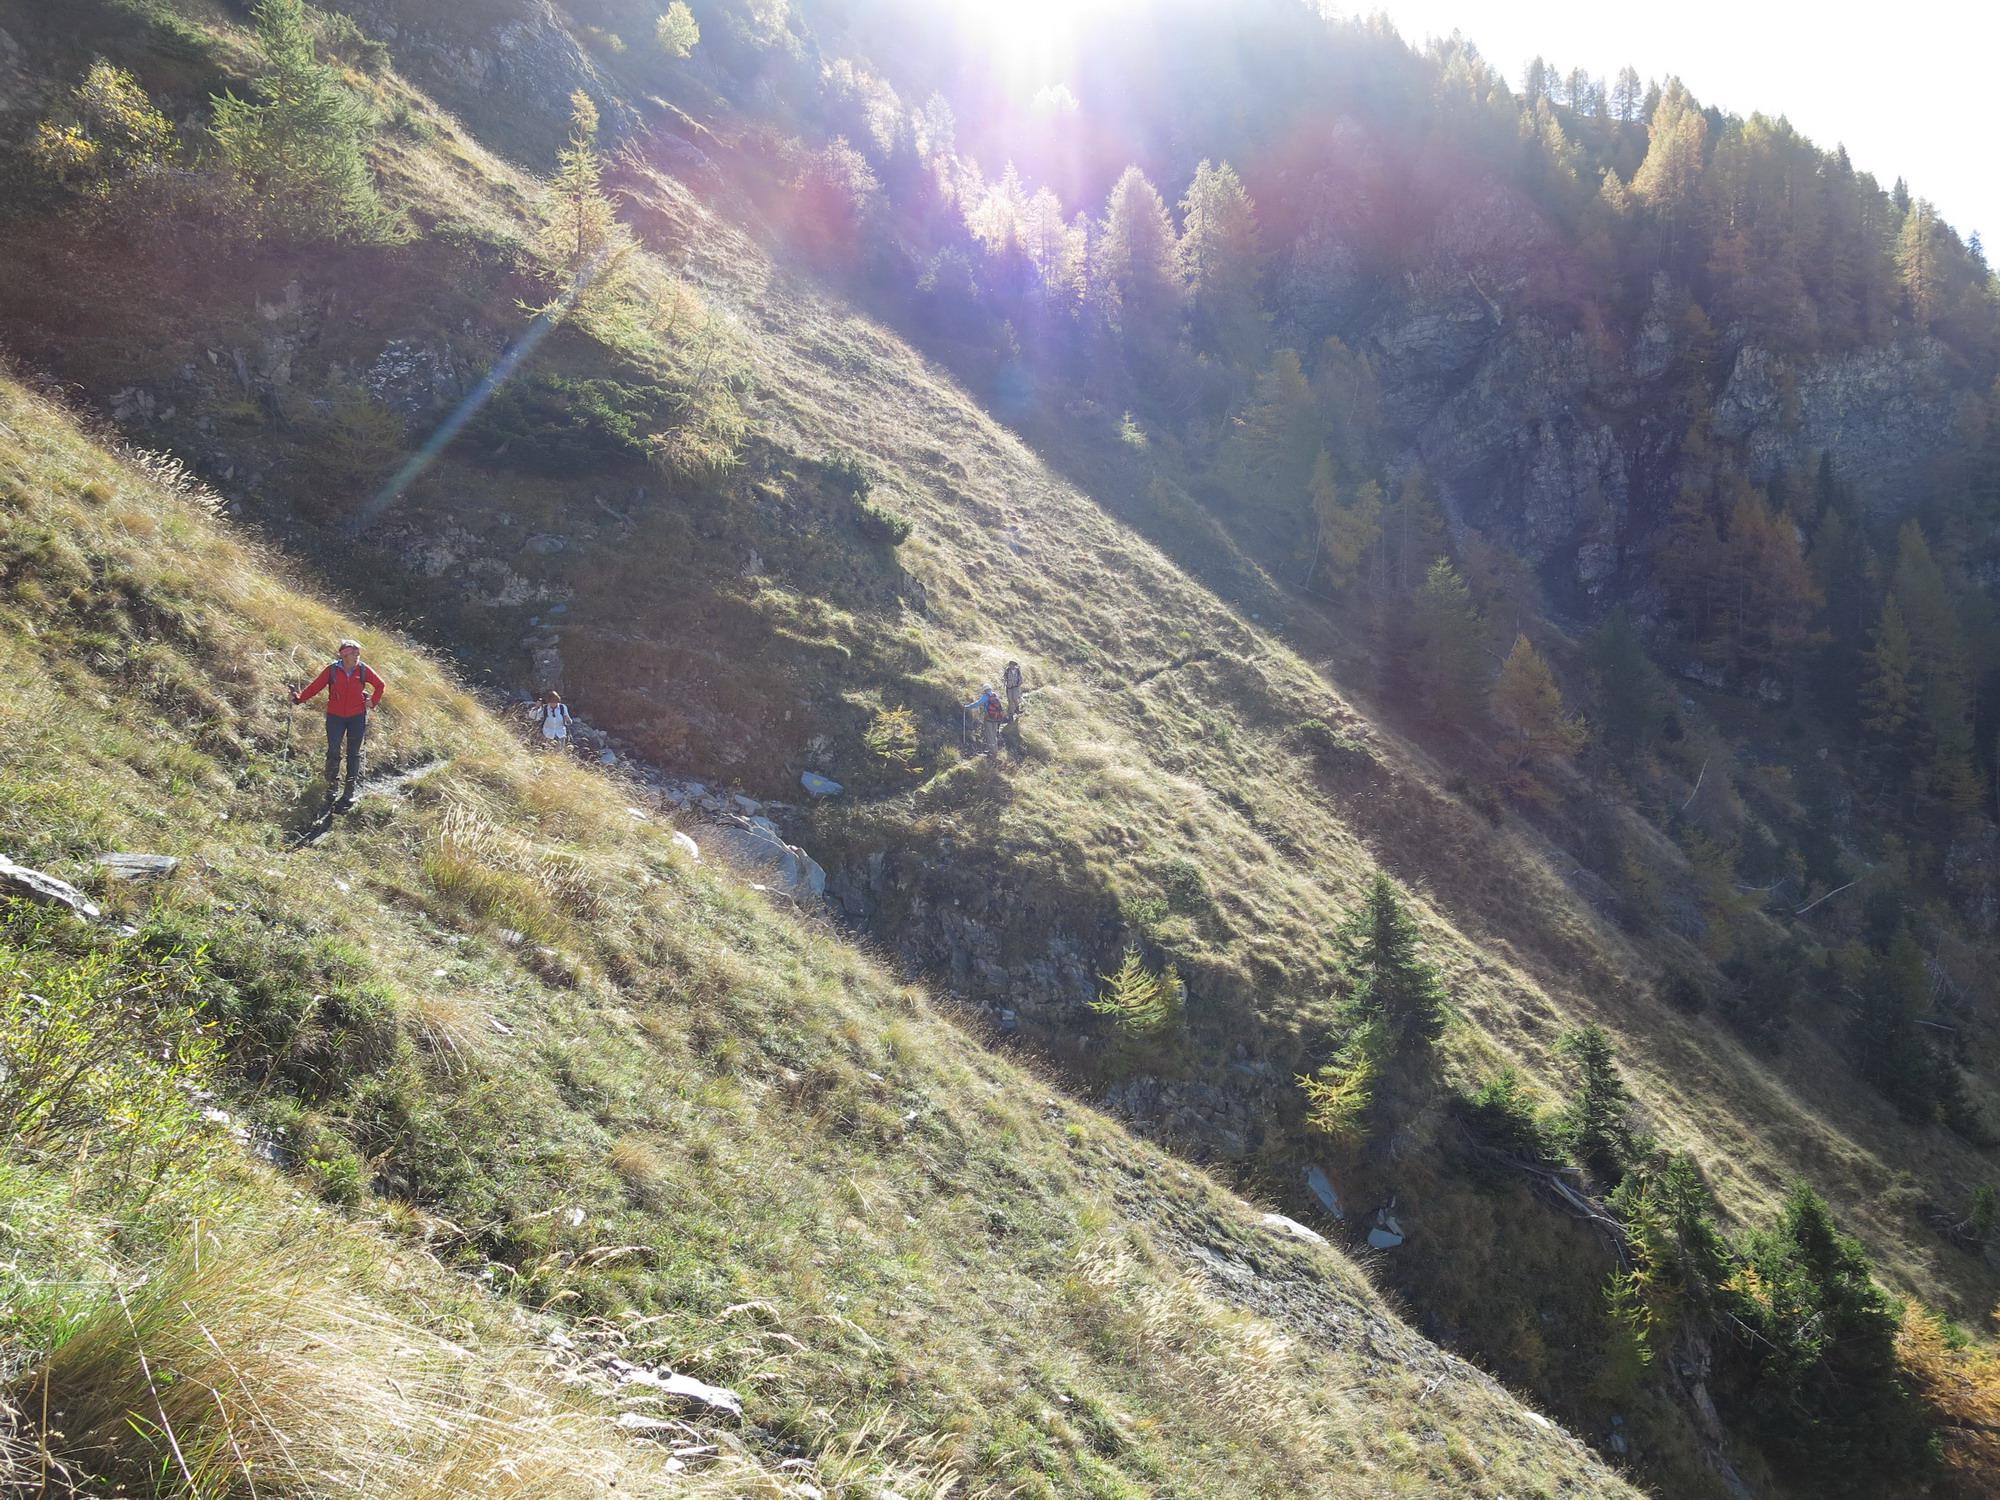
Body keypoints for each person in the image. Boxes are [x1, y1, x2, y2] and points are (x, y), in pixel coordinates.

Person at [293, 638, 385, 806]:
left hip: (357, 717)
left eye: (358, 652)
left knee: (353, 753)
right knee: (333, 751)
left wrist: (373, 702)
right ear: (344, 654)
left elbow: (380, 685)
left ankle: (349, 792)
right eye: (354, 652)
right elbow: (315, 687)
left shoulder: (363, 670)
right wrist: (300, 699)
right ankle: (332, 787)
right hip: (335, 717)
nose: (358, 655)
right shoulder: (332, 670)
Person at [963, 683, 1006, 758]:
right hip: (996, 718)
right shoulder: (995, 695)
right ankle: (994, 750)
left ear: (984, 690)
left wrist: (967, 707)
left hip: (988, 718)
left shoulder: (986, 696)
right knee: (994, 734)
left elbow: (977, 703)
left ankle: (992, 752)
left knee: (989, 735)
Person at [530, 689, 573, 753]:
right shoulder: (545, 708)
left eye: (555, 701)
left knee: (559, 753)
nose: (553, 704)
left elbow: (569, 722)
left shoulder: (562, 707)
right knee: (548, 752)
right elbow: (533, 717)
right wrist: (536, 707)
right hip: (548, 734)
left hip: (560, 734)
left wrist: (568, 720)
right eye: (551, 702)